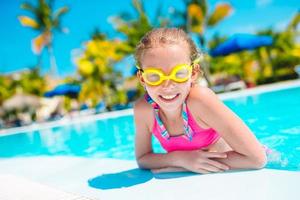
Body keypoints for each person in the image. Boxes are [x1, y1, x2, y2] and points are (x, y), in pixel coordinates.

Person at [133, 28, 267, 174]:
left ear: (193, 73)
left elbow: (257, 159)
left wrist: (183, 166)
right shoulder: (143, 110)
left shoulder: (200, 101)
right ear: (142, 78)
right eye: (154, 76)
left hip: (247, 164)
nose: (167, 85)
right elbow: (142, 159)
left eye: (179, 73)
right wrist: (180, 159)